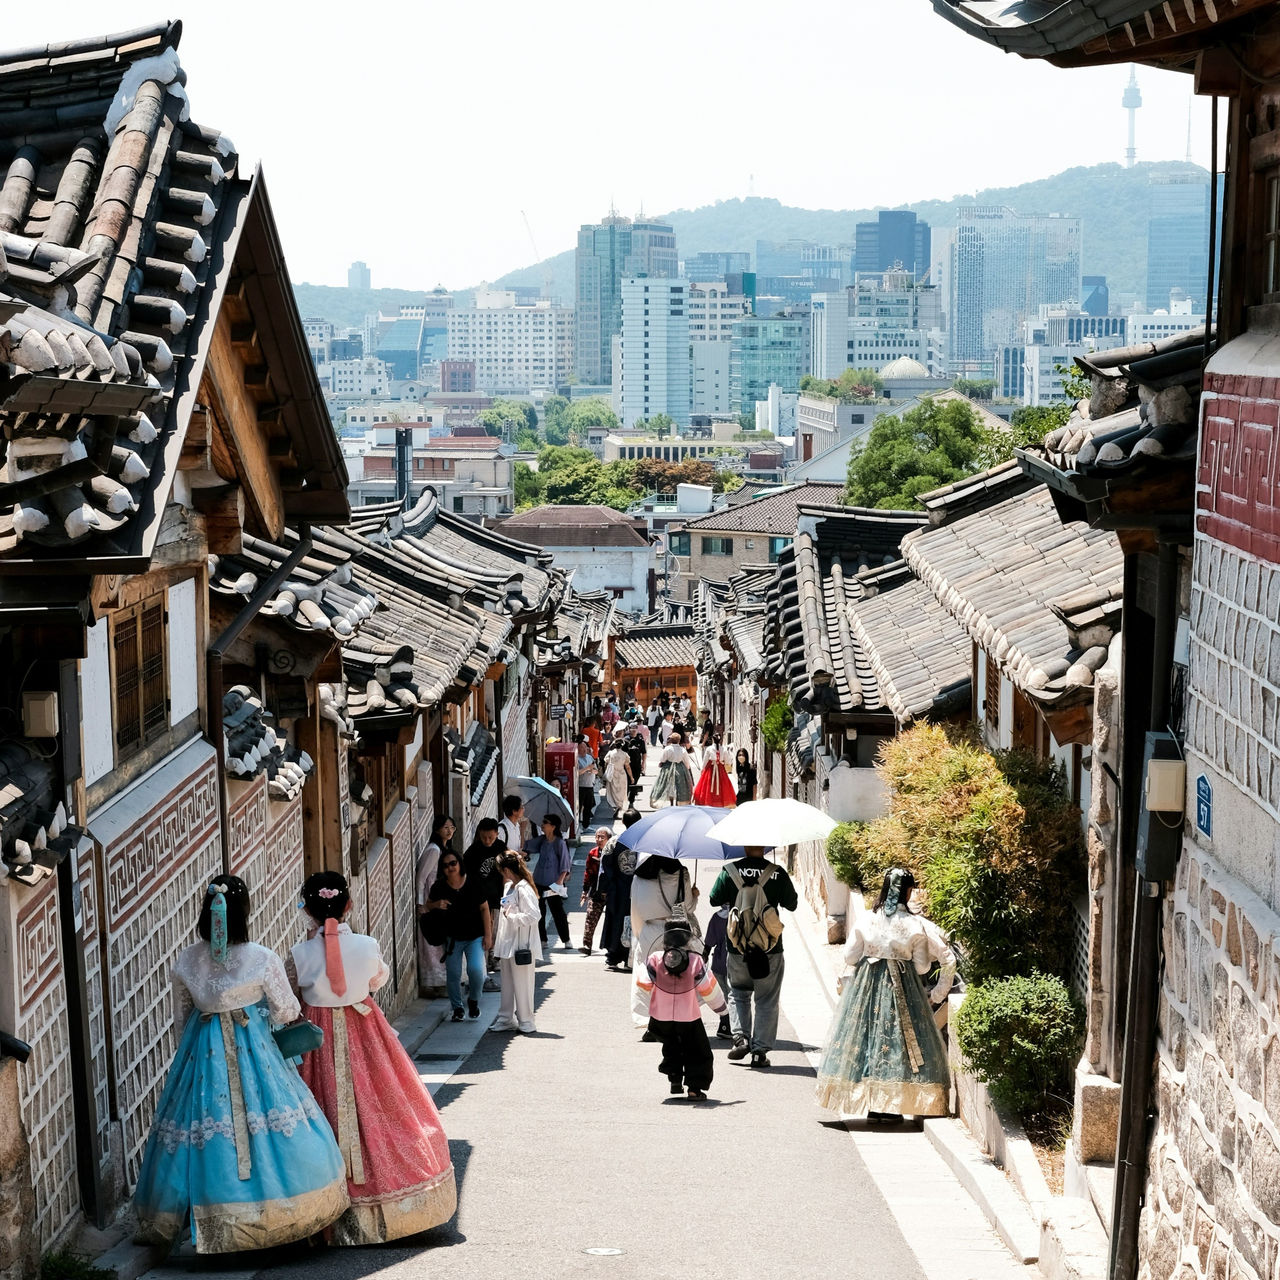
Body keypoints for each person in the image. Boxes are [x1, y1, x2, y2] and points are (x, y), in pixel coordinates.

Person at [133, 876, 348, 1251]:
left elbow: (181, 1020)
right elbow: (287, 1009)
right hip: (256, 1052)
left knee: (202, 1131)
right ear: (244, 912)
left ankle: (203, 1216)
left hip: (202, 1053)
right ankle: (275, 1213)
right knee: (273, 1123)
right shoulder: (261, 957)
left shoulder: (187, 959)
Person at [293, 872, 457, 1244]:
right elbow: (376, 981)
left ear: (309, 912)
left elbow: (294, 994)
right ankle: (389, 1200)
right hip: (363, 1031)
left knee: (324, 1109)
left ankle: (328, 1207)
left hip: (316, 1041)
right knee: (381, 1103)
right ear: (348, 904)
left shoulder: (300, 954)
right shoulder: (367, 945)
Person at [815, 868, 955, 1121]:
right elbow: (923, 966)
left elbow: (849, 956)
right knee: (899, 1040)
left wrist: (874, 953)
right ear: (908, 892)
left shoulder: (868, 919)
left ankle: (871, 1104)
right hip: (903, 987)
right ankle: (891, 1105)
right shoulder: (914, 924)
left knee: (866, 1038)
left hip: (866, 986)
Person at [709, 846, 799, 1069]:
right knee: (767, 999)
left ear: (744, 845)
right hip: (770, 948)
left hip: (737, 945)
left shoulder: (729, 871)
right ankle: (759, 1051)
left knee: (737, 992)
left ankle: (740, 1038)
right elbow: (792, 903)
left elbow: (713, 899)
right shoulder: (777, 872)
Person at [636, 920, 728, 1101]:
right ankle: (694, 1089)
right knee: (698, 1052)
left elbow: (643, 985)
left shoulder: (655, 958)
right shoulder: (695, 961)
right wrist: (722, 1011)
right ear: (688, 939)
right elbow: (709, 990)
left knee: (672, 1047)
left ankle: (675, 1080)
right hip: (688, 1017)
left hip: (660, 1018)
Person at [424, 850, 493, 1021]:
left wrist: (488, 935)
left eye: (453, 863)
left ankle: (474, 1000)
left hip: (474, 937)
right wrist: (437, 904)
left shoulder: (473, 882)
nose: (450, 868)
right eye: (445, 865)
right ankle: (457, 1009)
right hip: (452, 939)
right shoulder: (439, 886)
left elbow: (485, 909)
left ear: (460, 863)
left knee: (476, 970)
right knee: (453, 973)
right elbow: (427, 905)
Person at [629, 855, 697, 1030]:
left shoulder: (640, 875)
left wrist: (638, 933)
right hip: (674, 930)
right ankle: (676, 1015)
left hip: (649, 928)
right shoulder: (681, 873)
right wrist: (695, 896)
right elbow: (687, 906)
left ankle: (645, 1018)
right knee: (676, 973)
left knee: (644, 972)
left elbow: (634, 905)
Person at [491, 852, 541, 1033]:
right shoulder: (510, 886)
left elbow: (534, 915)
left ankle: (527, 1020)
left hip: (521, 944)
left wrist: (513, 917)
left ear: (506, 869)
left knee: (523, 984)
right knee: (508, 983)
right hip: (508, 942)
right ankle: (506, 1018)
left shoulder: (523, 888)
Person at [416, 814, 454, 997]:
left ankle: (441, 982)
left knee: (440, 942)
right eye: (445, 827)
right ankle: (432, 983)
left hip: (441, 902)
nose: (449, 831)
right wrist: (421, 904)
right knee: (431, 942)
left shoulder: (446, 849)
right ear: (437, 829)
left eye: (452, 827)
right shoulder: (434, 850)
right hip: (431, 901)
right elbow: (422, 877)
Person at [599, 809, 642, 969]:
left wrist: (604, 889)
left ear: (623, 822)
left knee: (616, 920)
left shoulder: (614, 842)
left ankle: (613, 955)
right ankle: (630, 957)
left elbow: (605, 867)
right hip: (639, 889)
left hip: (617, 889)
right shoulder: (644, 843)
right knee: (637, 922)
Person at [527, 814, 573, 951]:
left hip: (553, 882)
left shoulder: (560, 843)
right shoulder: (542, 840)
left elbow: (565, 865)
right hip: (538, 880)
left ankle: (566, 939)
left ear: (553, 826)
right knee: (539, 911)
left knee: (557, 911)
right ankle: (542, 939)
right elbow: (527, 847)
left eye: (545, 823)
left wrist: (558, 883)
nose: (542, 825)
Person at [702, 901, 736, 1040]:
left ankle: (725, 1024)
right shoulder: (739, 916)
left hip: (718, 963)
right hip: (735, 962)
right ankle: (732, 1026)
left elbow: (709, 942)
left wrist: (703, 958)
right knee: (734, 996)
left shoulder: (717, 918)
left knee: (723, 995)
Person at [578, 826, 611, 955]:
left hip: (610, 891)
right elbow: (588, 872)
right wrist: (585, 890)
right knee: (590, 918)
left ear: (609, 839)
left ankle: (610, 947)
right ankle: (587, 946)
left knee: (611, 920)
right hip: (596, 891)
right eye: (597, 837)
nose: (599, 839)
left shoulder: (612, 854)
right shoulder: (592, 853)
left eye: (602, 837)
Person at [651, 731, 697, 807]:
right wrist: (687, 769)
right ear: (679, 740)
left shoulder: (667, 749)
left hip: (668, 768)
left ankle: (671, 802)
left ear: (671, 740)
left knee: (669, 786)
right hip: (680, 769)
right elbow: (686, 762)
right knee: (680, 786)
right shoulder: (682, 750)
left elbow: (663, 759)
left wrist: (661, 763)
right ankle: (678, 802)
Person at [692, 736, 735, 807]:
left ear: (712, 739)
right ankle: (719, 801)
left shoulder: (709, 748)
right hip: (720, 769)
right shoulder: (724, 749)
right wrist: (726, 763)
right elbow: (728, 761)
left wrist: (703, 769)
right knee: (721, 785)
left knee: (709, 785)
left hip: (710, 769)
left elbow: (705, 760)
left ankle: (709, 800)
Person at [603, 739, 633, 816]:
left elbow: (606, 763)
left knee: (612, 791)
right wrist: (631, 777)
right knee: (621, 791)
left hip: (612, 774)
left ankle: (615, 805)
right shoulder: (625, 754)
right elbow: (628, 767)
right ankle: (619, 805)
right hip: (621, 774)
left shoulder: (610, 753)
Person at [575, 736, 598, 826]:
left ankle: (586, 825)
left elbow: (596, 770)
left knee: (589, 806)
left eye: (585, 747)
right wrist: (587, 768)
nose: (584, 749)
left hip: (589, 785)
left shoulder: (589, 757)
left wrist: (592, 771)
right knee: (579, 806)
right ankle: (578, 825)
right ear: (578, 749)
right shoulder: (576, 759)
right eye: (582, 748)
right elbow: (576, 773)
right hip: (580, 786)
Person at [625, 724, 647, 802]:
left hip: (637, 764)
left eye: (635, 728)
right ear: (629, 729)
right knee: (627, 781)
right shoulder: (626, 740)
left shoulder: (640, 740)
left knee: (635, 780)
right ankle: (627, 795)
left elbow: (644, 753)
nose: (634, 730)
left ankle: (632, 797)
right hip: (627, 764)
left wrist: (643, 764)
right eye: (632, 728)